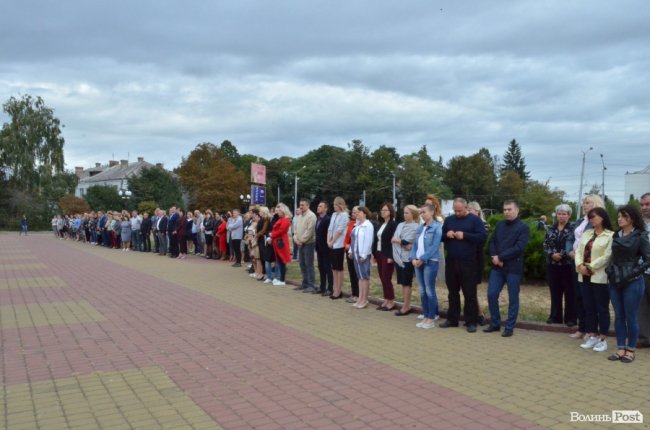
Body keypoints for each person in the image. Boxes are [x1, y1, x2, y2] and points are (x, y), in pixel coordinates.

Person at [606, 205, 650, 363]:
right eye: (618, 216)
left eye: (624, 216)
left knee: (631, 316)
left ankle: (630, 350)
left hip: (633, 281)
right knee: (619, 316)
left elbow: (648, 259)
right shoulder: (616, 235)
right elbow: (613, 256)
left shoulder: (641, 235)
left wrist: (633, 273)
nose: (620, 219)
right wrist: (609, 270)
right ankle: (620, 348)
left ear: (632, 218)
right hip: (615, 280)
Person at [484, 200, 531, 337]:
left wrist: (500, 257)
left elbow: (519, 247)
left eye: (509, 209)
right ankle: (495, 323)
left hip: (513, 268)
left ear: (517, 210)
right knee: (491, 294)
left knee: (513, 298)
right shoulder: (499, 225)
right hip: (497, 267)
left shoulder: (523, 227)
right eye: (504, 209)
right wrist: (494, 257)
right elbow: (492, 242)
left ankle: (509, 327)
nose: (506, 212)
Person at [441, 198, 487, 332]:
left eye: (459, 211)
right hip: (451, 262)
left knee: (469, 293)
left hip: (469, 263)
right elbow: (440, 236)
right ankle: (452, 319)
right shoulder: (449, 220)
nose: (457, 213)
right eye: (455, 210)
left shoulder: (475, 220)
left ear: (466, 208)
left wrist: (465, 235)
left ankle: (471, 321)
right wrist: (447, 234)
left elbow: (482, 237)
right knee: (452, 293)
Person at [575, 207, 614, 352]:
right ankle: (592, 335)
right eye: (590, 217)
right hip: (584, 275)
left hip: (599, 277)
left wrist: (590, 266)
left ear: (602, 218)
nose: (591, 220)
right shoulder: (587, 233)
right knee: (589, 307)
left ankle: (602, 338)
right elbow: (579, 251)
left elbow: (607, 256)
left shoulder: (610, 235)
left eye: (594, 217)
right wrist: (580, 265)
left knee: (601, 308)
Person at [568, 194, 606, 339]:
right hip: (576, 261)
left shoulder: (599, 222)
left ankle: (592, 330)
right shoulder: (580, 221)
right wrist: (569, 251)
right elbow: (570, 238)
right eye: (584, 202)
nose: (584, 205)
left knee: (590, 298)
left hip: (590, 263)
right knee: (579, 296)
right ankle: (582, 328)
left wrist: (582, 257)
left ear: (596, 203)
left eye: (588, 202)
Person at [409, 204, 443, 329]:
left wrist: (422, 259)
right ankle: (426, 315)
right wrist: (413, 258)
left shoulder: (437, 227)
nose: (422, 214)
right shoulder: (420, 228)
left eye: (424, 212)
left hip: (430, 262)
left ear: (432, 212)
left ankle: (431, 318)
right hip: (418, 262)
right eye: (421, 212)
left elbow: (435, 246)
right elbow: (415, 245)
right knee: (422, 291)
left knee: (429, 290)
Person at [543, 204, 577, 326]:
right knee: (555, 291)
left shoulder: (573, 229)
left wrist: (562, 255)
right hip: (553, 264)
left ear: (569, 215)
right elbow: (545, 244)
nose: (561, 216)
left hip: (567, 264)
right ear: (556, 215)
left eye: (564, 214)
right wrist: (552, 254)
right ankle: (555, 316)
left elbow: (574, 244)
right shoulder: (551, 228)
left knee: (570, 292)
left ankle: (571, 318)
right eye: (559, 213)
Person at [391, 205, 419, 316]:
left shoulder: (416, 227)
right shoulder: (400, 225)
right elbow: (395, 239)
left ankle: (406, 306)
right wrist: (401, 242)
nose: (405, 215)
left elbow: (407, 242)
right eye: (404, 212)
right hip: (398, 256)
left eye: (407, 213)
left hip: (407, 258)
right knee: (402, 282)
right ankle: (405, 304)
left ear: (413, 214)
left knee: (407, 282)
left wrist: (400, 241)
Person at [348, 207, 374, 309]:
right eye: (357, 212)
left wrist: (364, 254)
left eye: (359, 212)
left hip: (362, 255)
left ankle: (364, 299)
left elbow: (368, 241)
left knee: (364, 277)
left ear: (365, 214)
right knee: (360, 277)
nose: (357, 214)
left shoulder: (368, 225)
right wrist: (351, 251)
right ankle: (360, 298)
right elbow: (353, 240)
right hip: (355, 253)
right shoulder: (357, 225)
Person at [375, 202, 398, 311]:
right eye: (382, 210)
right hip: (379, 253)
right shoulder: (381, 224)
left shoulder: (393, 224)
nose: (383, 212)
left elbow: (393, 241)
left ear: (390, 212)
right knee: (382, 277)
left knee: (386, 277)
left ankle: (391, 301)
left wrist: (391, 256)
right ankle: (386, 299)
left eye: (385, 210)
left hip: (387, 254)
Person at [327, 197, 349, 299]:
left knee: (339, 268)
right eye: (334, 204)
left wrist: (332, 241)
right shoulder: (333, 215)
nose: (334, 206)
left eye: (336, 204)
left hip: (339, 245)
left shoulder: (344, 216)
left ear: (340, 205)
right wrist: (328, 240)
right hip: (332, 244)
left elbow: (339, 230)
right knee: (334, 268)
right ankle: (335, 288)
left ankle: (339, 290)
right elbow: (330, 229)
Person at [294, 198, 317, 293]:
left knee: (309, 264)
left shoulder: (311, 216)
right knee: (302, 264)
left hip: (308, 243)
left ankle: (311, 285)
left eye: (303, 205)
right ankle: (305, 283)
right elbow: (295, 230)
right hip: (300, 243)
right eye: (300, 205)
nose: (300, 207)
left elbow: (310, 231)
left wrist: (302, 241)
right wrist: (297, 240)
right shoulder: (299, 216)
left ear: (308, 205)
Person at [638, 192, 650, 348]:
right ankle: (645, 338)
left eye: (647, 204)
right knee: (642, 306)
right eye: (642, 205)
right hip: (641, 272)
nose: (644, 207)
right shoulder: (638, 224)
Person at [270, 204, 292, 286]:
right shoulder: (282, 219)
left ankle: (282, 280)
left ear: (283, 211)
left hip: (281, 242)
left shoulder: (285, 220)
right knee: (280, 261)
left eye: (279, 211)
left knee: (282, 261)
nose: (277, 212)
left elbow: (281, 231)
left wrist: (272, 234)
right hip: (278, 241)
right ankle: (281, 279)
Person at [315, 201, 333, 296]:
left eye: (320, 206)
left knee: (327, 268)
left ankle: (330, 288)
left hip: (326, 248)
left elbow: (329, 233)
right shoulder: (318, 219)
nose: (318, 207)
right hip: (319, 247)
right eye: (318, 206)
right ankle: (322, 287)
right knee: (321, 267)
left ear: (326, 209)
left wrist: (328, 244)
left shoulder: (328, 219)